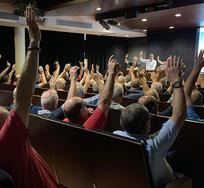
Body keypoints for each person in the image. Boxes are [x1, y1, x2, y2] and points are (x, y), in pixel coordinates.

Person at [0, 7, 59, 188]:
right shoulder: (4, 145)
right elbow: (23, 98)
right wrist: (34, 42)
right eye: (9, 117)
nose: (13, 114)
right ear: (2, 130)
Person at [113, 56, 186, 188]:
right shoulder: (153, 146)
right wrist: (176, 81)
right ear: (147, 124)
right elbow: (179, 114)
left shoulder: (115, 134)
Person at [63, 55, 119, 130]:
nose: (87, 108)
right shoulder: (89, 127)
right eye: (85, 106)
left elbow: (69, 105)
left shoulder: (65, 121)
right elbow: (104, 102)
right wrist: (112, 72)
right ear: (82, 112)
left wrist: (73, 78)